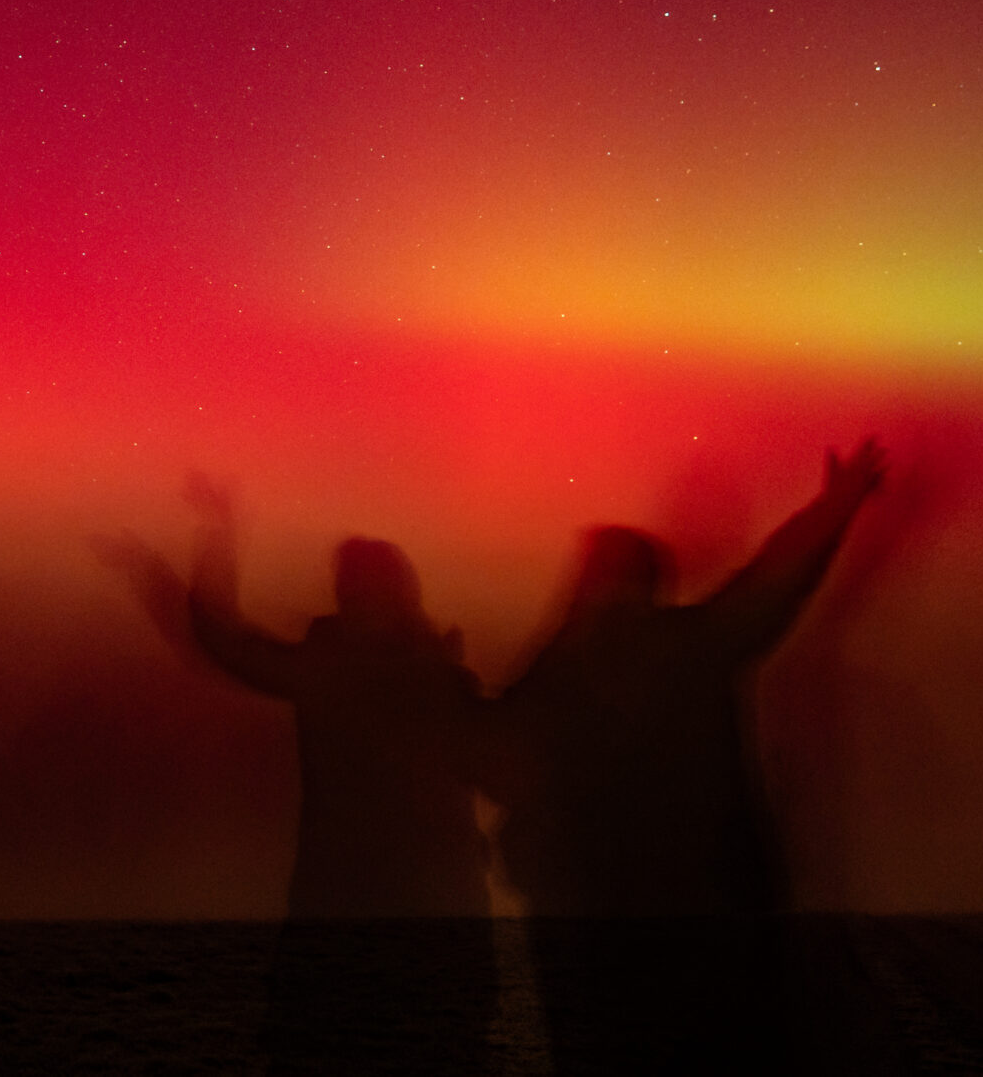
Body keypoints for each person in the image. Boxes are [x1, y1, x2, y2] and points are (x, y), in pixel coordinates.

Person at [475, 438, 887, 1072]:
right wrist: (837, 506)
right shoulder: (694, 645)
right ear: (652, 584)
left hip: (592, 937)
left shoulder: (549, 676)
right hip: (710, 924)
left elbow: (495, 765)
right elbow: (771, 583)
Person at [99, 475, 495, 1072]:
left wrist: (204, 542)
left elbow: (221, 640)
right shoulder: (440, 679)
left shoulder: (330, 671)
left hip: (343, 918)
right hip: (440, 918)